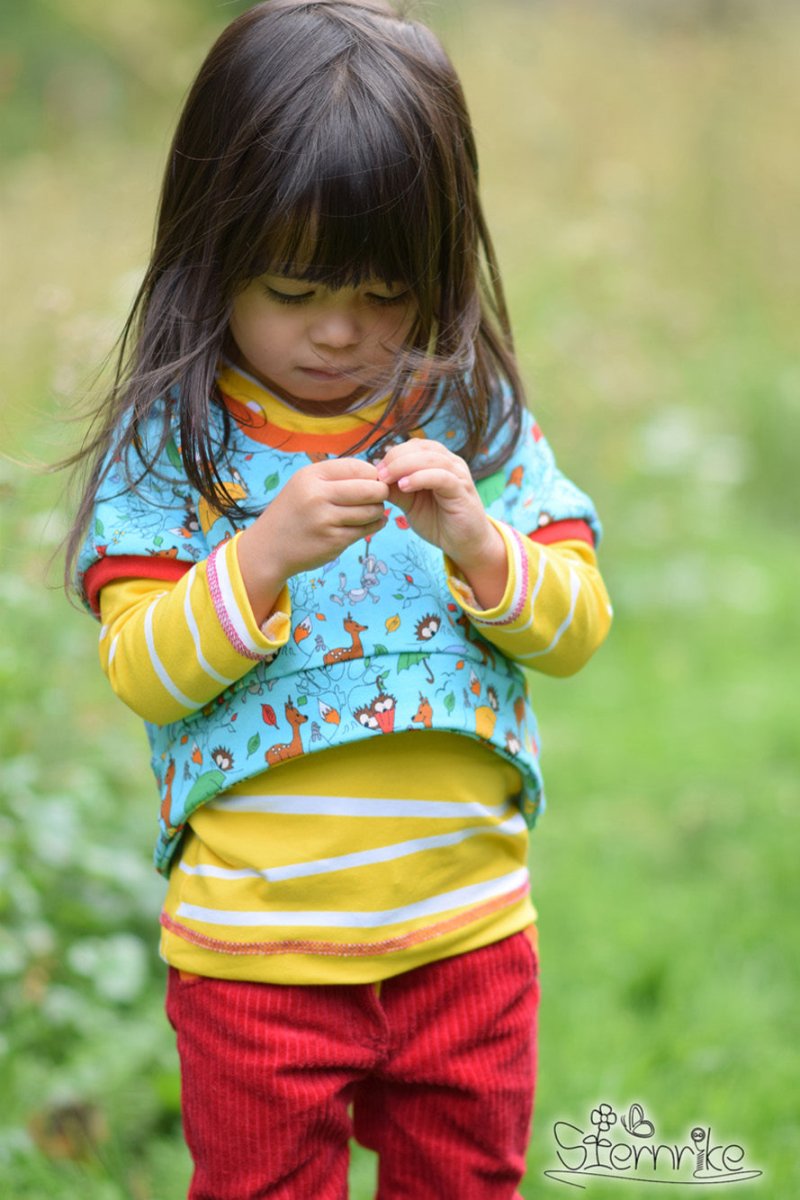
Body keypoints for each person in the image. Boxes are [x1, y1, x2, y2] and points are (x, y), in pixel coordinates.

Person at [64, 2, 612, 1196]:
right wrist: (259, 557)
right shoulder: (174, 451)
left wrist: (476, 538)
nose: (337, 332)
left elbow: (575, 629)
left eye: (381, 291)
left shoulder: (478, 425)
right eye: (293, 286)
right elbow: (141, 669)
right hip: (256, 959)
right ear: (212, 255)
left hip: (467, 940)